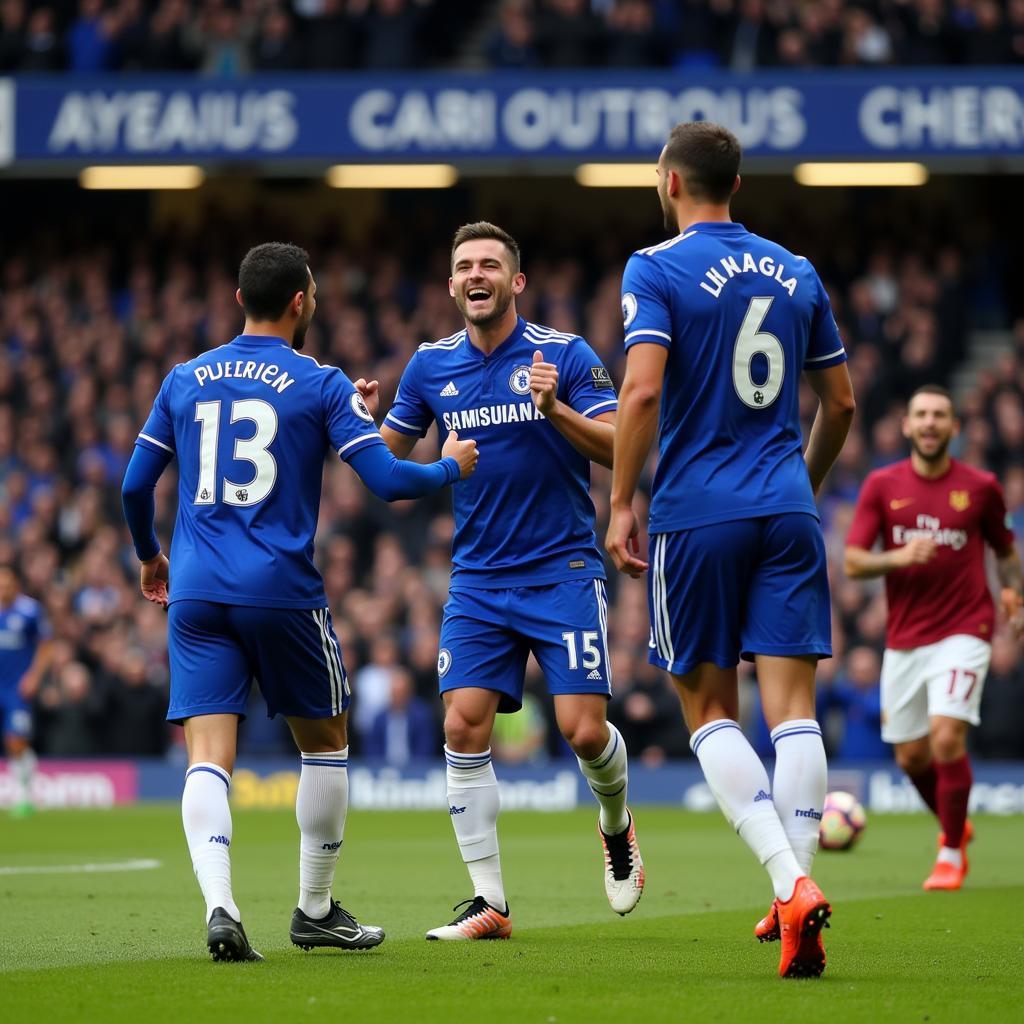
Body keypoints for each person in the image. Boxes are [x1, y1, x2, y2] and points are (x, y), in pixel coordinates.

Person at [121, 242, 478, 963]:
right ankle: (314, 908)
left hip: (194, 593)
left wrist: (149, 555)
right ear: (299, 303)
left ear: (238, 300)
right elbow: (386, 481)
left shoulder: (185, 377)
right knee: (327, 743)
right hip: (281, 593)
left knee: (207, 759)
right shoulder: (319, 381)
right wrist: (450, 464)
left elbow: (134, 487)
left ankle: (221, 905)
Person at [605, 122, 855, 979]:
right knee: (793, 712)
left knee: (708, 707)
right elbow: (843, 404)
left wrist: (620, 503)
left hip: (698, 512)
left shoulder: (656, 267)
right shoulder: (796, 270)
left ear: (670, 182)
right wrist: (801, 487)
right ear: (735, 185)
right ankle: (798, 892)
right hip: (786, 508)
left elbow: (640, 392)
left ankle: (790, 885)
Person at [359, 221, 643, 941]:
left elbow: (622, 445)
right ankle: (489, 901)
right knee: (462, 722)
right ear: (452, 285)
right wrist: (358, 424)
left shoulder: (565, 355)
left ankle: (616, 827)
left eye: (490, 264)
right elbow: (386, 474)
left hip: (562, 569)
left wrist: (556, 411)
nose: (475, 274)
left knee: (582, 732)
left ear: (516, 282)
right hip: (480, 578)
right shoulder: (429, 367)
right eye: (463, 266)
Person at [844, 384, 1023, 890]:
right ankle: (955, 824)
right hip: (906, 638)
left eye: (939, 415)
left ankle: (949, 851)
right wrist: (898, 557)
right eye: (920, 414)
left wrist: (1013, 594)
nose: (928, 423)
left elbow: (1005, 552)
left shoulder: (982, 487)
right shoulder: (882, 485)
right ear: (907, 425)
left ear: (954, 427)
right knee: (911, 756)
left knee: (946, 735)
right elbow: (855, 561)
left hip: (966, 628)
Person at [0, 564, 53, 818]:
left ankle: (24, 794)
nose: (4, 588)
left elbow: (45, 646)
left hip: (16, 688)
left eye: (8, 584)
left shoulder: (30, 611)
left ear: (16, 585)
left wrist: (34, 676)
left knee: (16, 741)